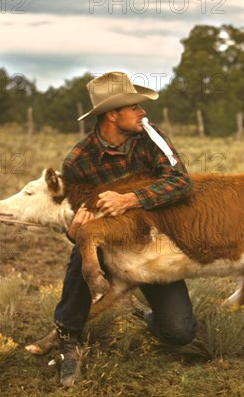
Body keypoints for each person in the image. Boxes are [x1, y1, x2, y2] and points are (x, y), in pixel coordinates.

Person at [55, 72, 196, 386]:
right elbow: (74, 218)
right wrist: (74, 230)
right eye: (134, 107)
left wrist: (131, 199)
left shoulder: (149, 136)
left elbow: (182, 183)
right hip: (106, 246)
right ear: (112, 114)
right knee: (83, 253)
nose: (143, 112)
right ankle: (68, 338)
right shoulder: (78, 162)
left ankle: (148, 317)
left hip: (151, 246)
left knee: (181, 333)